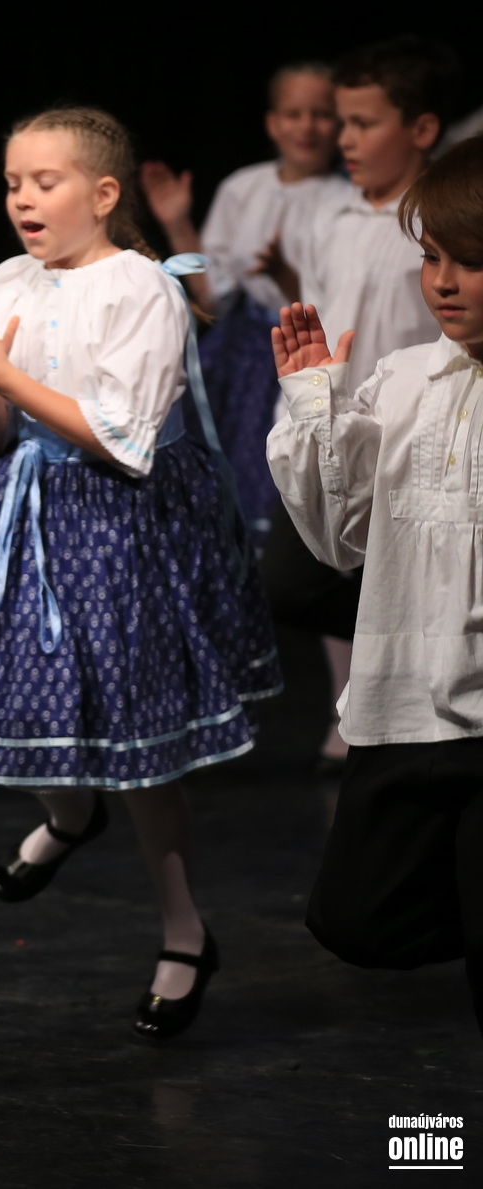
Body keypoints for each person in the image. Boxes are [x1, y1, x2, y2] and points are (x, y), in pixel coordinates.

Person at [0, 106, 278, 1042]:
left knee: (135, 738)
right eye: (13, 183)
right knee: (17, 698)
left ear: (104, 194)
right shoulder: (4, 281)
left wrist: (5, 375)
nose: (23, 199)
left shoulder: (140, 287)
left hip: (119, 525)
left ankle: (185, 932)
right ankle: (71, 816)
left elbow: (123, 440)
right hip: (29, 514)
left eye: (46, 181)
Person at [267, 136, 483, 1035]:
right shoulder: (403, 380)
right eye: (432, 257)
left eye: (470, 261)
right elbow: (337, 537)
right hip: (405, 708)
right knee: (357, 920)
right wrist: (314, 402)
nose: (444, 282)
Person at [259, 36, 461, 771]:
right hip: (328, 428)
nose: (345, 139)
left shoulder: (439, 221)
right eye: (343, 123)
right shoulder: (331, 216)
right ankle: (421, 646)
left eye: (364, 123)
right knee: (288, 583)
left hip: (412, 437)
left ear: (422, 129)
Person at [139, 63, 340, 540]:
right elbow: (213, 296)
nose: (307, 127)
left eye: (321, 114)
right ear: (272, 123)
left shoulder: (344, 199)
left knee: (273, 473)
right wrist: (177, 224)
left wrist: (287, 280)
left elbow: (340, 301)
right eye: (293, 114)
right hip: (239, 351)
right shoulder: (243, 188)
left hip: (300, 348)